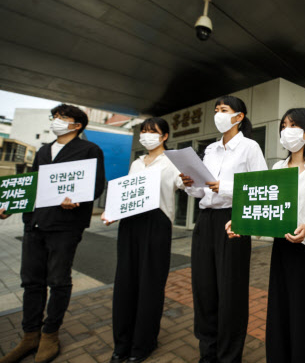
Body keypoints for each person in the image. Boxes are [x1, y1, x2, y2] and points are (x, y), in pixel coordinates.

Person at [228, 108, 305, 362]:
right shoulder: (278, 167)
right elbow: (264, 208)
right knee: (279, 317)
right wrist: (239, 222)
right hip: (282, 252)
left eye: (293, 125)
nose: (286, 131)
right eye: (283, 126)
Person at [0, 104, 106, 363]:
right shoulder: (45, 150)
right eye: (55, 117)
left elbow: (95, 185)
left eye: (63, 117)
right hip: (35, 223)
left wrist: (77, 198)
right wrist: (10, 206)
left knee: (58, 280)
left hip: (65, 226)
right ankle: (29, 335)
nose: (57, 120)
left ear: (77, 125)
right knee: (31, 281)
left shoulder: (89, 150)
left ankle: (50, 334)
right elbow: (33, 184)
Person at [180, 95, 267, 363]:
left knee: (231, 292)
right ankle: (208, 352)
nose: (218, 114)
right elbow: (200, 191)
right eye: (216, 110)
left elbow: (263, 188)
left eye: (224, 110)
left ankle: (229, 356)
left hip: (234, 220)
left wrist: (226, 188)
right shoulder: (209, 150)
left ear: (239, 117)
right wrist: (188, 183)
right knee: (204, 288)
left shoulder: (250, 148)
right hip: (205, 220)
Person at [101, 118, 183, 363]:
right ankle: (121, 344)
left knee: (150, 284)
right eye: (144, 131)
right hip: (130, 225)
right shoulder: (136, 163)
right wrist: (111, 213)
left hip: (156, 225)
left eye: (153, 132)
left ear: (165, 136)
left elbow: (185, 184)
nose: (147, 135)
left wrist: (190, 180)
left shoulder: (172, 161)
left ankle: (143, 344)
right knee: (125, 283)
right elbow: (126, 193)